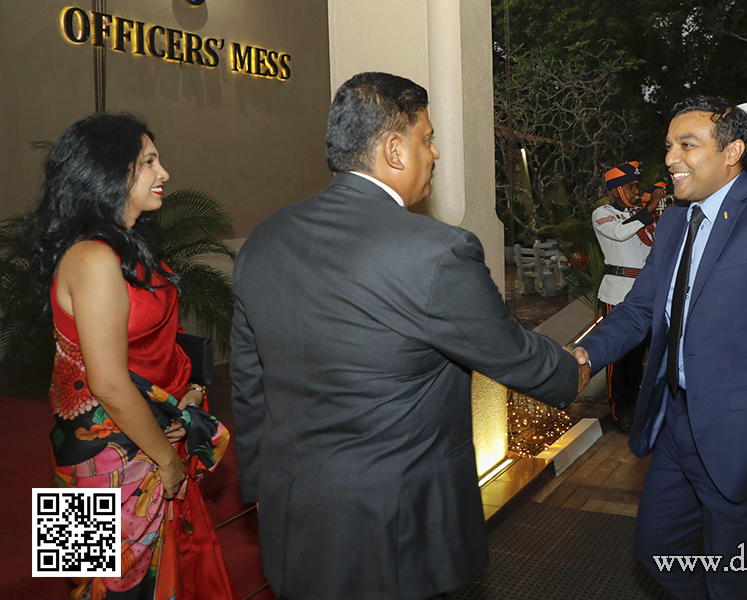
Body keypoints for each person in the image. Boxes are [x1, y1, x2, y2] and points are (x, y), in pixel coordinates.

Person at [230, 71, 589, 600]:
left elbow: (248, 379)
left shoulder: (266, 237)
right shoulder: (434, 251)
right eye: (428, 139)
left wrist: (261, 483)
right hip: (393, 526)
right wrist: (571, 368)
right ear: (394, 150)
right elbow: (510, 352)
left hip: (294, 509)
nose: (437, 153)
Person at [576, 96, 747, 599]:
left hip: (746, 439)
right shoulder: (674, 221)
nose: (672, 158)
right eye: (670, 146)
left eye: (688, 145)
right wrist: (586, 355)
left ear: (733, 150)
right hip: (675, 424)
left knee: (735, 580)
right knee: (657, 551)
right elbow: (638, 309)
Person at [22, 113, 237, 600]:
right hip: (105, 451)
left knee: (142, 581)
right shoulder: (92, 258)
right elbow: (109, 383)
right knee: (102, 586)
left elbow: (158, 342)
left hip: (141, 429)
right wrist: (168, 461)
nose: (164, 174)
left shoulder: (129, 248)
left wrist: (190, 394)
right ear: (107, 172)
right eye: (148, 162)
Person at [591, 161, 662, 434]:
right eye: (632, 187)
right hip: (619, 292)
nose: (637, 191)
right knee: (621, 357)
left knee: (643, 355)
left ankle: (639, 406)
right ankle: (620, 410)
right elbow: (619, 233)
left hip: (646, 292)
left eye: (638, 186)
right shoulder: (603, 213)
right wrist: (648, 209)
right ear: (617, 189)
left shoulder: (639, 214)